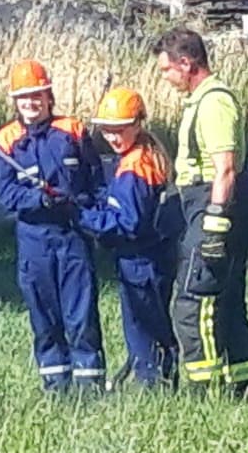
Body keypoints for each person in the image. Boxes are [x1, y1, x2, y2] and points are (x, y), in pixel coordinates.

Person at [151, 28, 248, 395]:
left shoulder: (214, 103)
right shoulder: (201, 101)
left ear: (187, 63)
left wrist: (214, 226)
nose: (165, 78)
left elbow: (225, 168)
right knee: (227, 299)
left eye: (167, 69)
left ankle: (204, 389)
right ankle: (245, 383)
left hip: (217, 205)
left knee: (192, 300)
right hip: (210, 203)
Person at [0, 59, 107, 393]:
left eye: (37, 95)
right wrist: (39, 200)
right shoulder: (6, 140)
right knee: (44, 318)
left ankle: (90, 388)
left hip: (72, 237)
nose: (31, 103)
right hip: (34, 241)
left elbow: (96, 181)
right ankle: (56, 387)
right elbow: (7, 194)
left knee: (81, 315)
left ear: (48, 95)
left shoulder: (72, 131)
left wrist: (92, 217)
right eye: (23, 97)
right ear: (15, 101)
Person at [75, 87, 181, 390]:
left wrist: (81, 216)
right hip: (154, 257)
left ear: (137, 123)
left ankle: (153, 385)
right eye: (107, 130)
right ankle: (155, 378)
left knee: (143, 327)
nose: (112, 137)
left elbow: (127, 222)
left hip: (141, 261)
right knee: (153, 324)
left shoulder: (136, 166)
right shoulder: (145, 154)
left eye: (119, 130)